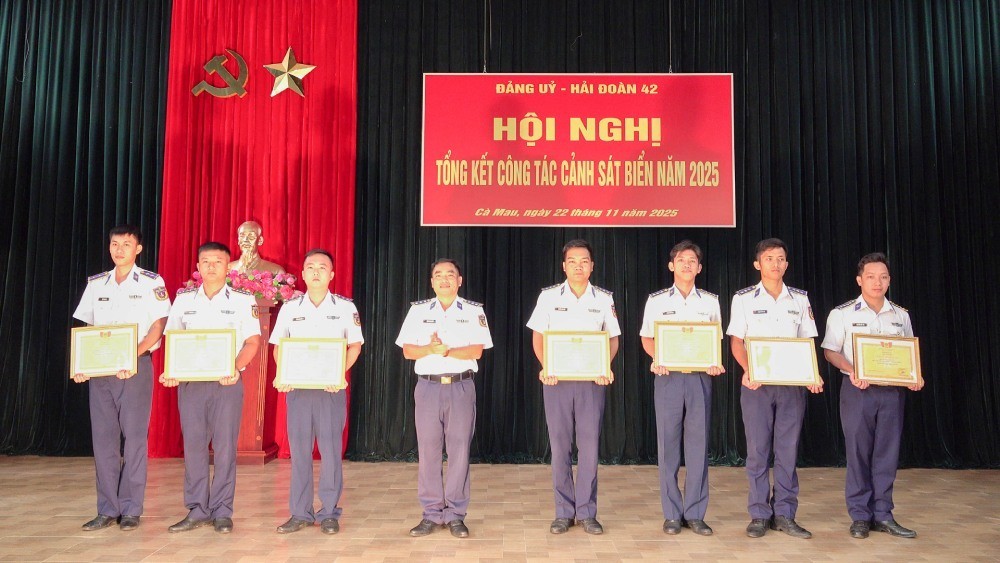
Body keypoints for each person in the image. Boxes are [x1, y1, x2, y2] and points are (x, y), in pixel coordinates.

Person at [72, 225, 171, 531]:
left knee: (135, 441)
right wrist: (81, 363)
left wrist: (134, 354)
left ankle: (130, 508)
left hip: (135, 369)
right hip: (101, 372)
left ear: (137, 249)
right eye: (114, 244)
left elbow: (159, 326)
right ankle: (106, 508)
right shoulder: (97, 283)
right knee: (103, 442)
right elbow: (87, 330)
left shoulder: (151, 282)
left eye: (126, 244)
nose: (119, 250)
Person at [160, 242, 262, 534]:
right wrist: (172, 372)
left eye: (218, 261)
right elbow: (174, 341)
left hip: (226, 383)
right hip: (191, 384)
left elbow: (253, 342)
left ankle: (222, 511)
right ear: (198, 266)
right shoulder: (183, 300)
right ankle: (196, 510)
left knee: (225, 448)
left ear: (228, 266)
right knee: (193, 447)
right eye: (205, 261)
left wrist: (236, 367)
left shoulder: (243, 300)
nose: (211, 267)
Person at [821, 252, 921, 539]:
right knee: (858, 453)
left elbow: (909, 354)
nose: (877, 282)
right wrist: (852, 370)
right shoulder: (842, 313)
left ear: (889, 280)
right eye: (871, 277)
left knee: (887, 454)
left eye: (883, 277)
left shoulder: (901, 315)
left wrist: (916, 375)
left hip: (891, 393)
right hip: (857, 391)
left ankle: (883, 514)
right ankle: (860, 516)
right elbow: (830, 351)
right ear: (859, 280)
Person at [727, 238, 822, 539]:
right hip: (757, 385)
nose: (775, 264)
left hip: (792, 386)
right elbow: (736, 342)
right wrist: (748, 369)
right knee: (757, 451)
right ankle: (758, 514)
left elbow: (808, 342)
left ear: (786, 264)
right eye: (769, 258)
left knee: (787, 451)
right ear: (758, 264)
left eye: (781, 258)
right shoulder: (743, 299)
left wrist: (812, 374)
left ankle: (784, 513)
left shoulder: (800, 300)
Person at [526, 239, 620, 535]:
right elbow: (539, 337)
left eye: (584, 261)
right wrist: (546, 367)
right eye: (573, 261)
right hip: (557, 382)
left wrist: (604, 366)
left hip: (592, 382)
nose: (579, 266)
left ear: (592, 266)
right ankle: (564, 512)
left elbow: (612, 338)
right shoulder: (548, 297)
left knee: (590, 449)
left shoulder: (603, 299)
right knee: (560, 448)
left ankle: (587, 512)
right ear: (564, 265)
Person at [396, 259, 493, 538]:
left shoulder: (474, 311)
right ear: (432, 281)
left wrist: (447, 352)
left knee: (459, 451)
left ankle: (455, 515)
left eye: (450, 275)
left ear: (459, 280)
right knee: (428, 451)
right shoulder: (418, 311)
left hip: (461, 387)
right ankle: (431, 513)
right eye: (438, 275)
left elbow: (477, 350)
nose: (444, 279)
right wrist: (429, 348)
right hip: (428, 388)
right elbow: (407, 351)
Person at [271, 249, 363, 535]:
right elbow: (278, 347)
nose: (315, 272)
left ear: (332, 274)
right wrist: (283, 374)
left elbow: (355, 346)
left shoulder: (346, 308)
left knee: (331, 453)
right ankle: (300, 513)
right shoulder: (290, 307)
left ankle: (329, 513)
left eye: (322, 267)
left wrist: (339, 374)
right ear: (302, 273)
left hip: (330, 390)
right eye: (310, 267)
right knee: (299, 453)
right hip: (298, 390)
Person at [639, 240, 725, 536]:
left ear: (699, 268)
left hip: (700, 378)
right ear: (671, 265)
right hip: (668, 378)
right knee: (668, 447)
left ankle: (696, 513)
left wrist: (714, 361)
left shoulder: (710, 302)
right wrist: (657, 357)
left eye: (692, 261)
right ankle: (672, 514)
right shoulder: (657, 301)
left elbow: (715, 339)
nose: (687, 265)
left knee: (699, 447)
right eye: (681, 260)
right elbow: (647, 338)